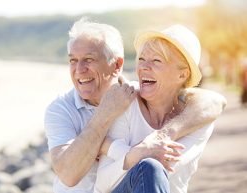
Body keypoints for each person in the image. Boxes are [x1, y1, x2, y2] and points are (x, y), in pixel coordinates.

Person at [45, 18, 226, 193]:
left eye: (89, 59)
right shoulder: (61, 109)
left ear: (117, 65)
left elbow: (215, 101)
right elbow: (69, 176)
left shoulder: (134, 98)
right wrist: (104, 115)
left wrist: (159, 137)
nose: (79, 69)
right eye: (73, 60)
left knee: (150, 167)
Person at [94, 25, 226, 193]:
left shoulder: (198, 119)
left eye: (156, 60)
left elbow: (166, 168)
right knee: (148, 167)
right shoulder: (127, 103)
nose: (143, 67)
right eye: (141, 59)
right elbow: (103, 184)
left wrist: (113, 148)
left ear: (182, 75)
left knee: (151, 168)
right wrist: (139, 152)